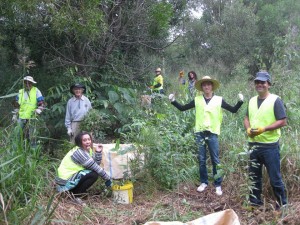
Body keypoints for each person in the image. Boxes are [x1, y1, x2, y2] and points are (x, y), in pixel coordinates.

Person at [169, 76, 244, 196]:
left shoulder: (219, 100)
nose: (206, 87)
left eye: (208, 84)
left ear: (212, 86)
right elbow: (183, 108)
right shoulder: (197, 99)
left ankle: (218, 184)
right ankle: (204, 182)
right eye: (204, 85)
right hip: (200, 132)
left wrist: (240, 102)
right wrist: (173, 101)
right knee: (202, 159)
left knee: (215, 159)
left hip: (213, 132)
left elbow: (233, 110)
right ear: (202, 87)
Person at [244, 71, 287, 209]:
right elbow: (246, 117)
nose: (259, 85)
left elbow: (282, 121)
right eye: (257, 82)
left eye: (262, 82)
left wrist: (264, 129)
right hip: (253, 146)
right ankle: (255, 204)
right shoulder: (251, 100)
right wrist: (248, 129)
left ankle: (282, 205)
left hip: (270, 146)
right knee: (254, 177)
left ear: (268, 84)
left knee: (275, 178)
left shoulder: (275, 100)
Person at [55, 132, 112, 205]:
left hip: (71, 176)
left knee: (93, 172)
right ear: (79, 142)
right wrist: (108, 179)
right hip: (64, 180)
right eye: (84, 140)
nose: (88, 142)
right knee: (93, 175)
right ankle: (76, 196)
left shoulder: (87, 150)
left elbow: (95, 164)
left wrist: (98, 152)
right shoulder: (79, 153)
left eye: (89, 139)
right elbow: (96, 168)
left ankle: (75, 191)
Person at [13, 76, 45, 141]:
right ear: (24, 83)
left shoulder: (36, 90)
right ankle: (19, 149)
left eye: (29, 83)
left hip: (32, 117)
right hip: (21, 117)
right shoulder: (20, 91)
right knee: (18, 135)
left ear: (32, 83)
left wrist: (39, 109)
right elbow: (16, 105)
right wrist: (14, 115)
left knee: (32, 136)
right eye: (26, 83)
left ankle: (33, 149)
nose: (27, 84)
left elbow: (41, 103)